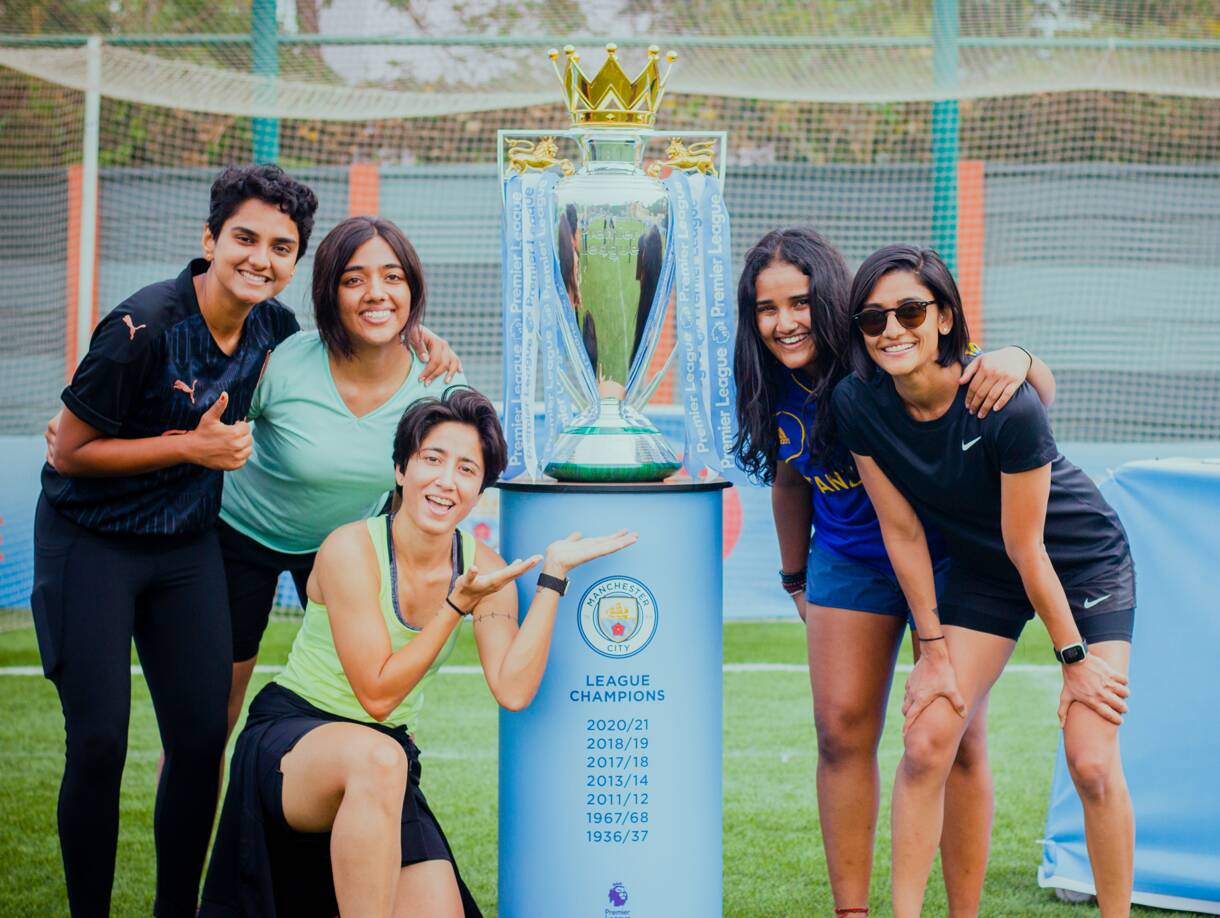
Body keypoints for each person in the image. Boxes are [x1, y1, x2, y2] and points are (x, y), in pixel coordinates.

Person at [200, 388, 636, 917]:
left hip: (383, 761)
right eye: (432, 459)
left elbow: (514, 689)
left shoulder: (485, 569)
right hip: (294, 740)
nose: (446, 480)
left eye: (467, 469)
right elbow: (378, 695)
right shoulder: (350, 548)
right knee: (381, 757)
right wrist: (453, 607)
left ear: (480, 491)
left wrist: (553, 577)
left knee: (390, 774)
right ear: (402, 469)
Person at [731, 227, 1056, 917]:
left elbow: (1021, 388)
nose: (784, 322)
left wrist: (1020, 356)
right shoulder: (772, 381)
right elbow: (790, 481)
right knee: (841, 729)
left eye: (799, 302)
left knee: (955, 737)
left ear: (833, 301)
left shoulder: (888, 346)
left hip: (947, 558)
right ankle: (853, 911)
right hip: (848, 562)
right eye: (766, 308)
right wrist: (795, 579)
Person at [32, 164, 318, 916]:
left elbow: (345, 356)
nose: (261, 258)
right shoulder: (142, 326)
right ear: (210, 240)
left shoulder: (274, 328)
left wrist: (421, 338)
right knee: (99, 743)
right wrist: (187, 449)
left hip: (186, 549)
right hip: (89, 540)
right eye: (245, 238)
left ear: (295, 260)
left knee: (198, 744)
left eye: (281, 247)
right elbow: (66, 451)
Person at [831, 245, 1134, 917]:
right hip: (984, 568)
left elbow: (1031, 548)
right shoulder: (856, 404)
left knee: (1090, 759)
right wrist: (933, 651)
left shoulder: (1004, 402)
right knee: (927, 738)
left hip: (1079, 560)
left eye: (910, 311)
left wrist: (1075, 665)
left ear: (943, 317)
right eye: (873, 318)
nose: (892, 330)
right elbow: (903, 532)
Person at [216, 215, 464, 736]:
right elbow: (210, 426)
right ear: (330, 293)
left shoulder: (438, 382)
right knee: (212, 715)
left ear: (413, 287)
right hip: (237, 540)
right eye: (354, 279)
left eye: (392, 277)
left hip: (345, 547)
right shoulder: (284, 362)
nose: (376, 292)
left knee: (358, 701)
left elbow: (444, 483)